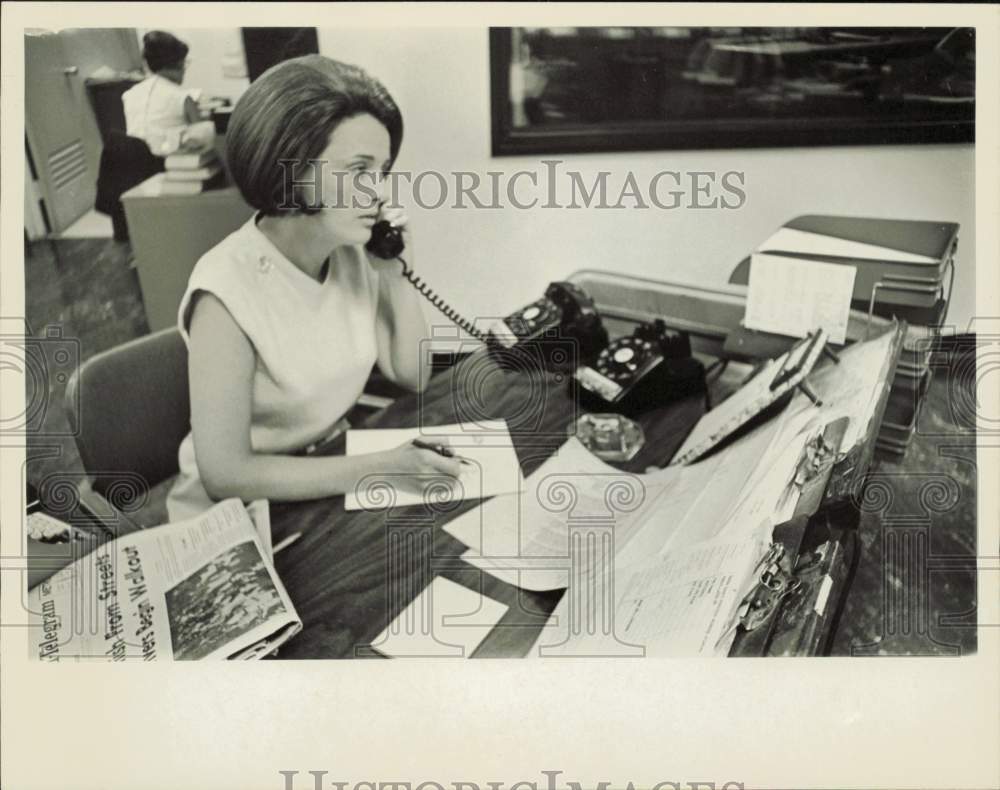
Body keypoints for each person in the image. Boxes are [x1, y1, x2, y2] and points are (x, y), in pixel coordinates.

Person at [166, 55, 462, 520]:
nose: (378, 192)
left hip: (326, 472)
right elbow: (225, 474)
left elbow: (413, 376)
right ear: (292, 172)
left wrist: (395, 271)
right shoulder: (225, 289)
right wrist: (382, 469)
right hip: (243, 512)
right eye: (358, 169)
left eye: (381, 172)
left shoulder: (351, 249)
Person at [122, 31, 202, 155]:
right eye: (184, 63)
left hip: (134, 167)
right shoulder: (182, 98)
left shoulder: (129, 95)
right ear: (178, 63)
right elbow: (202, 139)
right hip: (167, 166)